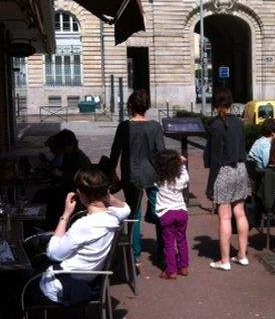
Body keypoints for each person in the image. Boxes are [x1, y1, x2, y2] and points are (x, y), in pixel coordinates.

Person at [35, 165, 131, 304]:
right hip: (87, 280)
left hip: (59, 287)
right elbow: (125, 208)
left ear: (80, 194)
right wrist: (104, 193)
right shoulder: (113, 218)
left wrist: (66, 214)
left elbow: (54, 253)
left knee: (19, 280)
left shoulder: (83, 225)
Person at [110, 89, 165, 266]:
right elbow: (161, 153)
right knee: (159, 211)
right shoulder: (155, 126)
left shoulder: (124, 126)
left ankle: (135, 255)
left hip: (131, 174)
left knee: (134, 215)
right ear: (147, 106)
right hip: (153, 174)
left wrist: (113, 174)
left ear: (131, 106)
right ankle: (162, 252)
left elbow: (115, 153)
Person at [204, 87, 250, 271]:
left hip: (224, 171)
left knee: (224, 217)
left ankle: (224, 261)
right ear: (231, 103)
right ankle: (242, 255)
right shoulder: (239, 123)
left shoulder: (215, 125)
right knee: (240, 213)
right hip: (240, 169)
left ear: (215, 104)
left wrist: (209, 186)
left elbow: (214, 159)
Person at [32, 129, 92, 230]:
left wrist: (61, 175)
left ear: (69, 146)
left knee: (44, 197)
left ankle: (49, 226)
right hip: (68, 189)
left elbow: (79, 180)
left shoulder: (78, 158)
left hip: (75, 193)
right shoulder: (69, 154)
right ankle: (41, 224)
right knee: (41, 195)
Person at [154, 149, 190, 280]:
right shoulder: (180, 178)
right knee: (182, 240)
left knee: (169, 243)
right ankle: (184, 267)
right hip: (181, 211)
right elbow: (186, 177)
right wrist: (182, 165)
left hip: (166, 213)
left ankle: (171, 270)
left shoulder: (159, 180)